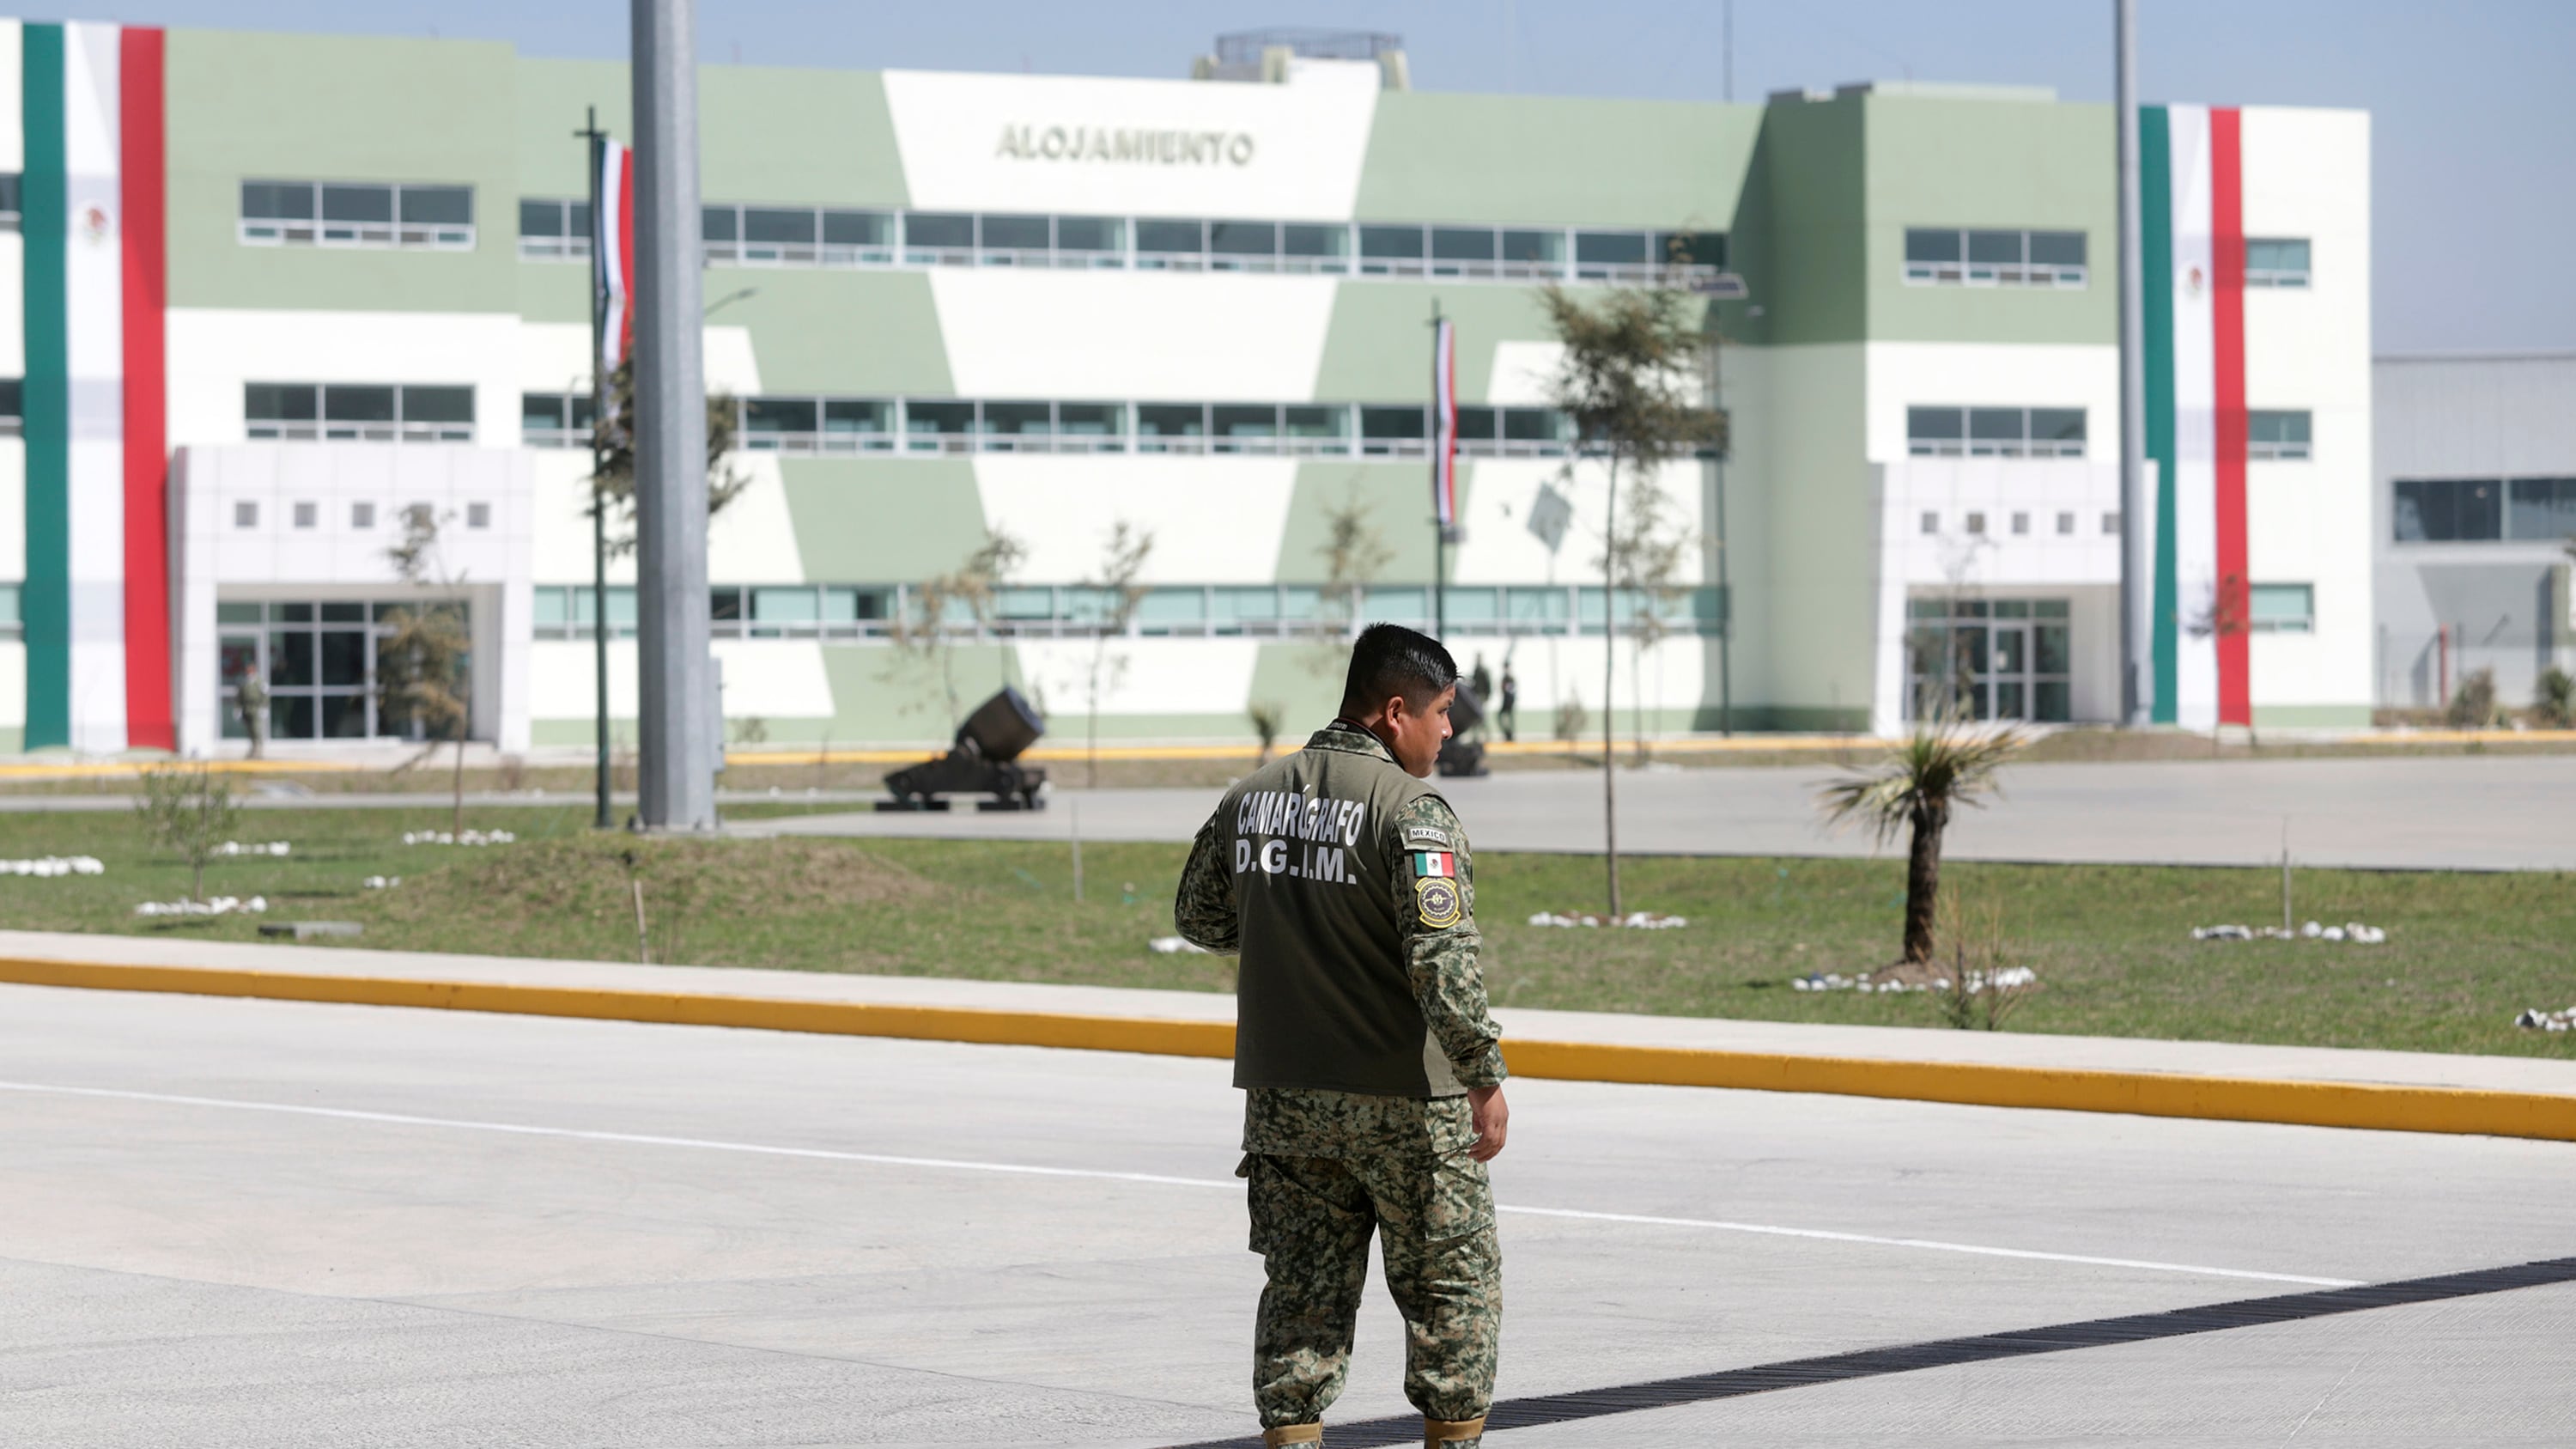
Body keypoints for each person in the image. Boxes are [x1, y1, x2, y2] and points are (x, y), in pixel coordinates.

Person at [1176, 623, 1509, 1449]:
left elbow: (1200, 916)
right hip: (1408, 1109)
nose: (1449, 729)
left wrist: (1294, 925)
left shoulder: (1250, 796)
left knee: (1302, 1299)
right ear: (1396, 711)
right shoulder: (1414, 812)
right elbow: (1443, 965)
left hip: (1286, 1104)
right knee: (1450, 1295)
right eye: (1441, 711)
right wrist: (1484, 1072)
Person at [1497, 667, 1518, 745]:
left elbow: (1511, 689)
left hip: (1509, 701)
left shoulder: (1510, 678)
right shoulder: (1505, 678)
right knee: (1502, 717)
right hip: (1506, 701)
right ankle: (1508, 734)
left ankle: (1510, 734)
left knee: (1509, 719)